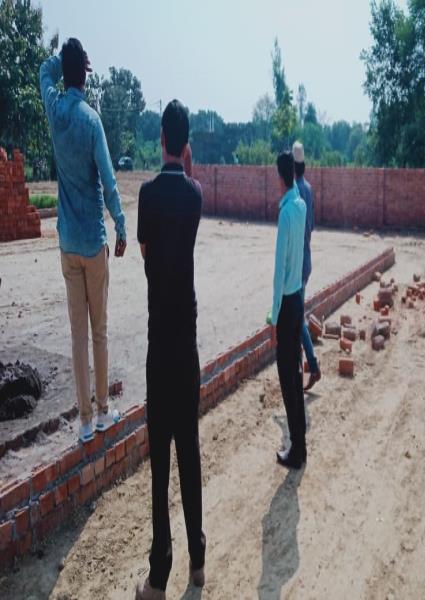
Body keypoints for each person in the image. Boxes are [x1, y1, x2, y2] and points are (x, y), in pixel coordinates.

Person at [39, 38, 126, 443]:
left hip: (67, 243)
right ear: (85, 75)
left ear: (65, 73)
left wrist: (63, 61)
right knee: (100, 331)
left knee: (77, 336)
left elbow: (43, 72)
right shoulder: (92, 121)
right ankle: (104, 411)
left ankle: (85, 422)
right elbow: (108, 181)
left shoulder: (55, 110)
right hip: (93, 241)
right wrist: (121, 224)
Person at [135, 100, 205, 599]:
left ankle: (159, 575)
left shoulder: (146, 195)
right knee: (190, 453)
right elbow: (189, 186)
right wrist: (186, 162)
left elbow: (145, 253)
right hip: (189, 345)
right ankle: (198, 560)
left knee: (160, 461)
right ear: (186, 145)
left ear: (161, 138)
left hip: (160, 344)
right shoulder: (195, 195)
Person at [267, 152, 307, 469]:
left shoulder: (285, 214)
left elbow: (279, 270)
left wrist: (273, 315)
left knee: (287, 378)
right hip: (298, 299)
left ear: (281, 178)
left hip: (286, 304)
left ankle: (297, 449)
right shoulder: (301, 205)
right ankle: (300, 443)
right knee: (294, 373)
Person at [292, 141, 321, 391]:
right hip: (307, 259)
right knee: (297, 314)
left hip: (297, 264)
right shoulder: (309, 189)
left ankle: (312, 364)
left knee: (297, 318)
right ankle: (302, 366)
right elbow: (311, 225)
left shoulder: (294, 192)